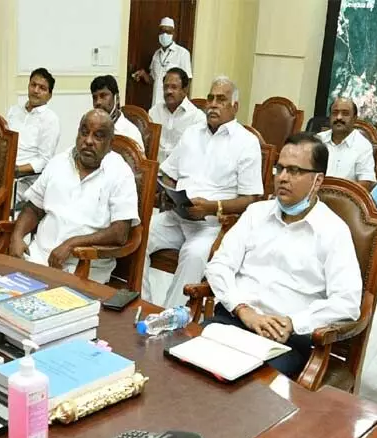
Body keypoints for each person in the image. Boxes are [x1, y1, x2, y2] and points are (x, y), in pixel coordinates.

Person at [204, 133, 362, 378]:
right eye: (280, 168)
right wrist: (243, 309)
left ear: (317, 180)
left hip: (282, 341)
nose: (283, 178)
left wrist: (294, 322)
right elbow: (218, 266)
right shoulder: (256, 213)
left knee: (246, 394)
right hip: (233, 323)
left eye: (295, 171)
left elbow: (348, 302)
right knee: (182, 367)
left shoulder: (333, 231)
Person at [144, 76, 264, 308]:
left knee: (194, 254)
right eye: (210, 98)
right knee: (140, 233)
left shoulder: (246, 142)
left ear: (235, 107)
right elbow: (168, 172)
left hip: (212, 225)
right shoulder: (191, 133)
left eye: (221, 99)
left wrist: (211, 207)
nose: (213, 104)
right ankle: (144, 303)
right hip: (177, 215)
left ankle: (170, 316)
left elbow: (252, 199)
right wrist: (168, 192)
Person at [8, 109, 139, 283]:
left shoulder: (120, 173)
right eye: (84, 133)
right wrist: (17, 236)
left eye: (98, 136)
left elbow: (120, 233)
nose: (88, 141)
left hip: (85, 268)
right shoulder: (59, 162)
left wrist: (72, 243)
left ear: (110, 143)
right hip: (36, 258)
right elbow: (33, 208)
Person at [7, 68, 61, 180]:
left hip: (25, 179)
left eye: (42, 88)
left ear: (49, 95)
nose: (36, 90)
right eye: (33, 85)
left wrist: (16, 170)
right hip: (3, 171)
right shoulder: (14, 111)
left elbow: (44, 160)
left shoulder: (50, 119)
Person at [132, 17, 193, 109]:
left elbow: (187, 81)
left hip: (173, 104)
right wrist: (143, 74)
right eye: (162, 31)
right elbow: (153, 79)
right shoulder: (156, 54)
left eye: (168, 32)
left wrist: (181, 104)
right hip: (156, 104)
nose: (165, 34)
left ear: (173, 34)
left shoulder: (182, 53)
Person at [316, 97, 377, 190]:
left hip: (345, 200)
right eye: (335, 113)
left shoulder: (363, 146)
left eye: (345, 113)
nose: (339, 117)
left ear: (354, 118)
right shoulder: (318, 140)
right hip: (314, 196)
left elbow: (366, 182)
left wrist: (341, 198)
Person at [148, 67, 205, 163]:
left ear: (185, 90)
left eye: (174, 87)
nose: (168, 91)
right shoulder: (154, 112)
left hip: (181, 173)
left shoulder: (197, 118)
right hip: (156, 171)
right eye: (166, 87)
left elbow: (198, 154)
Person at [90, 75, 144, 152]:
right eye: (95, 98)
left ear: (117, 98)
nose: (98, 102)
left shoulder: (130, 132)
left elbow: (139, 163)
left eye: (103, 96)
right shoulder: (90, 127)